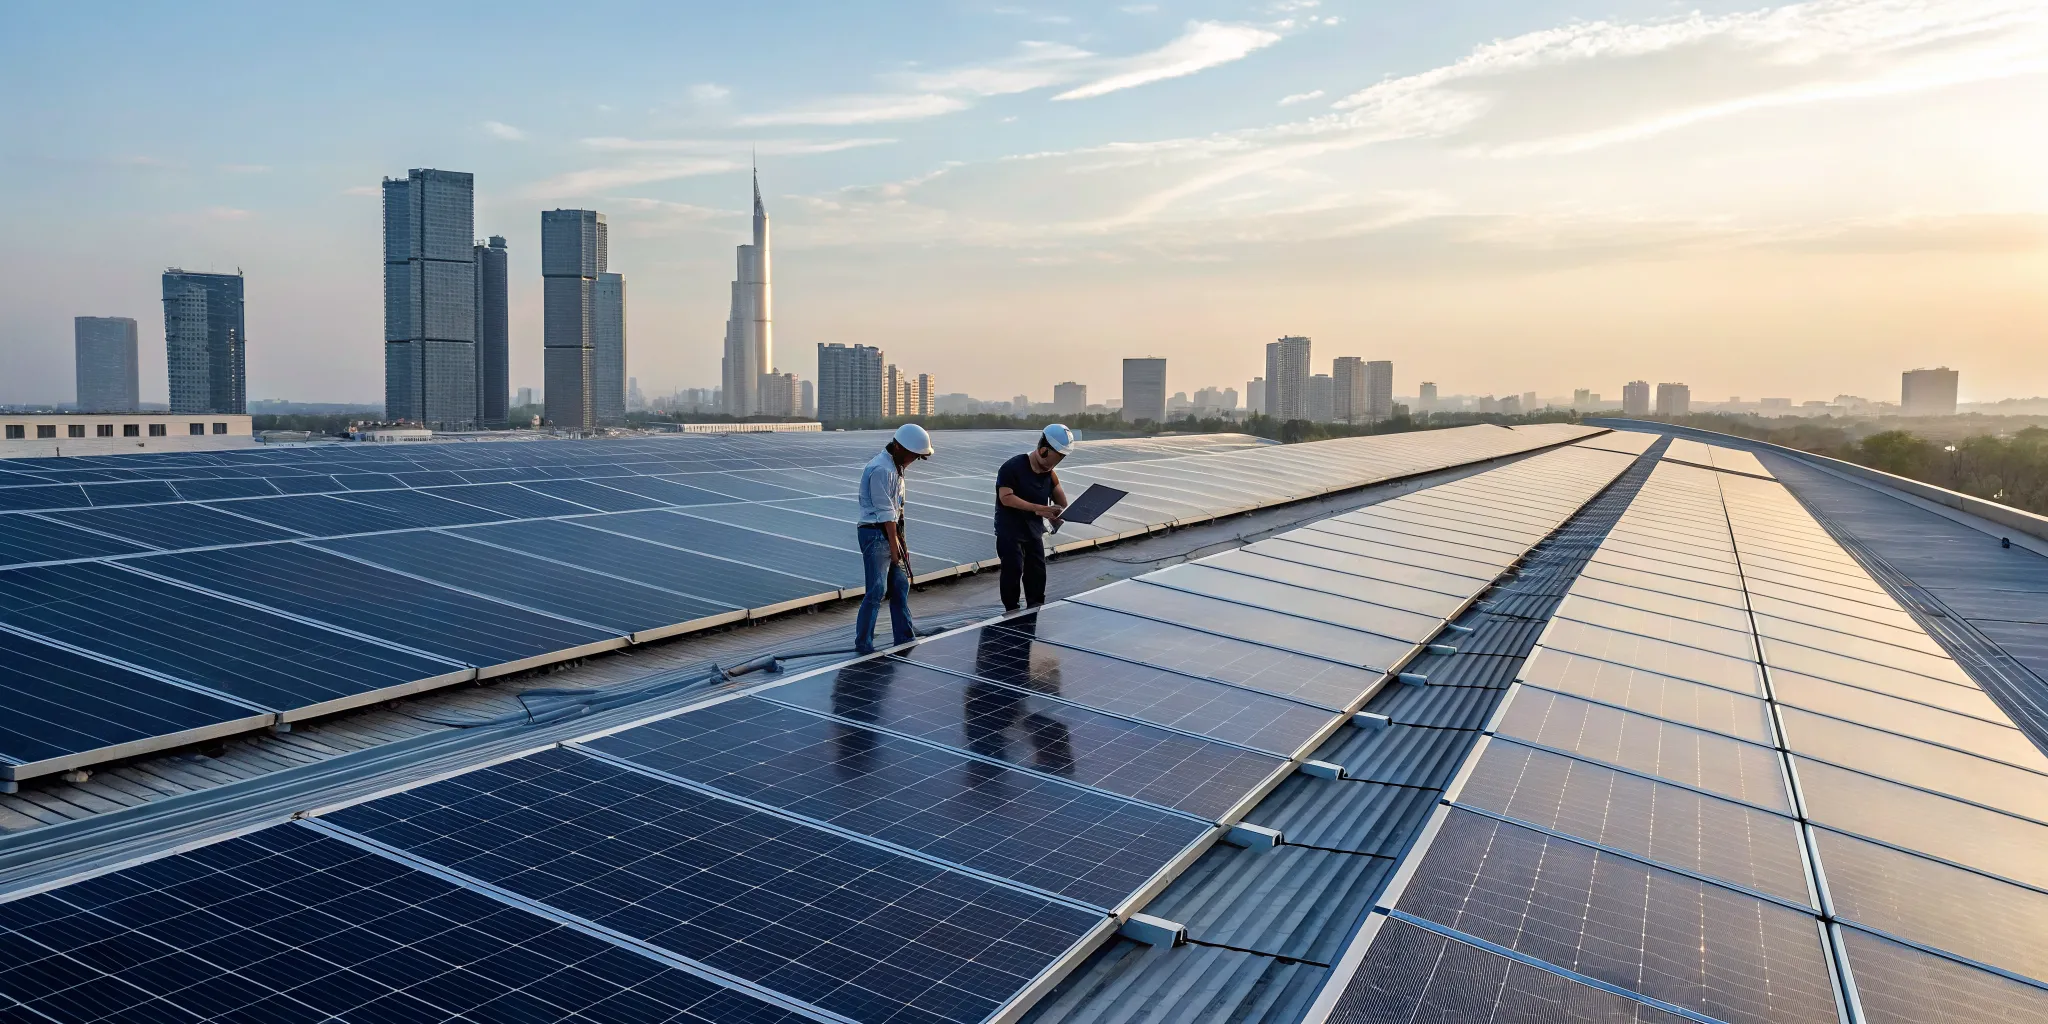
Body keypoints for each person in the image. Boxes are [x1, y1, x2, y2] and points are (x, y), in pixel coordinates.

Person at [854, 423, 932, 653]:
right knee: (877, 589)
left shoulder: (896, 468)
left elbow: (898, 512)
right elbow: (886, 514)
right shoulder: (881, 469)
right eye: (912, 455)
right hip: (875, 532)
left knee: (899, 585)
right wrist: (894, 549)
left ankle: (904, 634)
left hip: (890, 532)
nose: (913, 460)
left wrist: (902, 544)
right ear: (898, 447)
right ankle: (863, 643)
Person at [993, 424, 1074, 611]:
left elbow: (1061, 501)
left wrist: (1059, 512)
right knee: (1013, 569)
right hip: (1010, 531)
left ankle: (1036, 607)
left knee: (1037, 571)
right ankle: (1011, 610)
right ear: (1043, 450)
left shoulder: (1050, 474)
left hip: (1033, 531)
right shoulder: (1012, 467)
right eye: (1053, 459)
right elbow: (1006, 498)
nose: (1054, 465)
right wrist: (1038, 509)